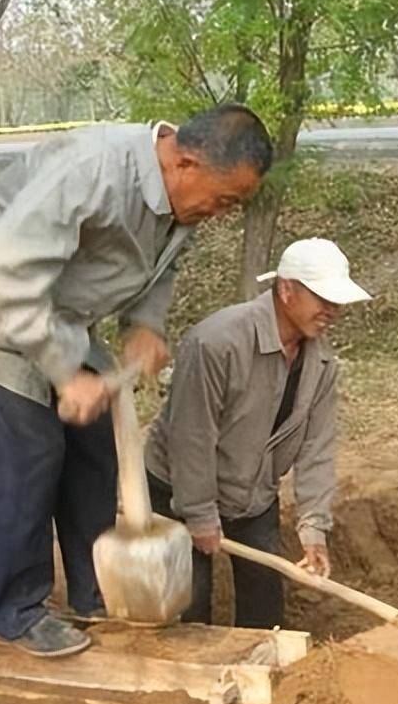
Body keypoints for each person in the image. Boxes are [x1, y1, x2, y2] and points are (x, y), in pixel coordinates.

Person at [0, 105, 273, 656]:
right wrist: (66, 375)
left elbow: (165, 265)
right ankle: (14, 611)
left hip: (62, 309)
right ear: (184, 162)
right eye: (225, 199)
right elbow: (9, 277)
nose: (223, 213)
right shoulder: (92, 174)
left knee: (92, 450)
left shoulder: (181, 201)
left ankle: (97, 590)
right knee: (27, 453)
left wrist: (145, 323)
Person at [144, 238, 372, 628]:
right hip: (178, 490)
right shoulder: (216, 342)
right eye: (323, 299)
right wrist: (198, 514)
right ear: (287, 290)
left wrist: (313, 526)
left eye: (337, 301)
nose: (333, 311)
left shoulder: (320, 360)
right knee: (190, 604)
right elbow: (191, 435)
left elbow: (318, 446)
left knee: (265, 603)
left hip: (253, 494)